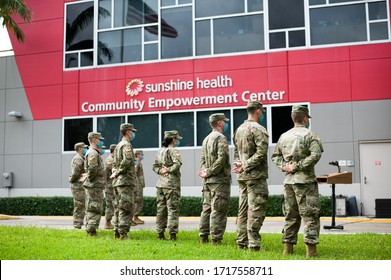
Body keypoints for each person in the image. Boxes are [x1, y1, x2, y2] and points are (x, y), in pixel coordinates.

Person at [271, 105, 323, 258]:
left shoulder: (284, 136)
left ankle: (287, 250)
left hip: (289, 183)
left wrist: (286, 167)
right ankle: (311, 252)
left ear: (293, 118)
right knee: (310, 216)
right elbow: (316, 155)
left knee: (290, 216)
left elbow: (275, 156)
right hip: (305, 182)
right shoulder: (310, 135)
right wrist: (298, 166)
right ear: (305, 118)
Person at [232, 100, 269, 251]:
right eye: (262, 112)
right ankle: (253, 244)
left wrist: (239, 164)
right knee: (256, 209)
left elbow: (236, 152)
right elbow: (261, 153)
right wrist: (245, 165)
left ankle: (241, 242)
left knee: (243, 209)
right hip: (255, 176)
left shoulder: (239, 129)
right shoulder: (258, 129)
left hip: (242, 176)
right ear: (258, 111)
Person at [198, 113, 231, 245]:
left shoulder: (206, 139)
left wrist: (205, 171)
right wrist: (211, 172)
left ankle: (203, 237)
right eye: (224, 121)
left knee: (206, 209)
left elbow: (202, 159)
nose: (225, 123)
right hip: (219, 180)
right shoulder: (221, 138)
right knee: (219, 210)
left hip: (207, 180)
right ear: (220, 123)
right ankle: (216, 240)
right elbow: (221, 159)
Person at [152, 130, 183, 241]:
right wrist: (168, 170)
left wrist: (161, 171)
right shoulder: (173, 150)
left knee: (161, 209)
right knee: (172, 209)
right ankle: (172, 234)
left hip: (160, 184)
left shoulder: (160, 151)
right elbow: (177, 164)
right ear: (173, 139)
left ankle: (160, 233)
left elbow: (154, 166)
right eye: (177, 139)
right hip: (171, 184)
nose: (177, 141)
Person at [111, 123, 137, 240]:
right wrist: (119, 171)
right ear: (128, 132)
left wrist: (115, 172)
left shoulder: (118, 146)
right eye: (132, 131)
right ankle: (123, 234)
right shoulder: (126, 145)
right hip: (125, 180)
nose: (133, 134)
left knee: (118, 207)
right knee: (126, 208)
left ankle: (116, 231)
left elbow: (114, 163)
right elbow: (127, 160)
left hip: (118, 181)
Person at [83, 132, 106, 236]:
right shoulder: (93, 153)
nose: (101, 141)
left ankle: (90, 229)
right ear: (94, 140)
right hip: (94, 185)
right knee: (94, 207)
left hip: (95, 184)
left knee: (92, 206)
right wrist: (92, 180)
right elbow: (92, 169)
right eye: (99, 139)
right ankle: (92, 231)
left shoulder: (93, 152)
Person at [69, 142, 88, 229]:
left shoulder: (81, 158)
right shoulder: (78, 159)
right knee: (79, 205)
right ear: (80, 149)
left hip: (80, 185)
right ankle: (77, 224)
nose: (86, 149)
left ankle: (79, 223)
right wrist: (72, 180)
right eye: (84, 148)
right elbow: (75, 172)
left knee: (81, 205)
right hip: (77, 186)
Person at [103, 144, 116, 230]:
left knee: (113, 204)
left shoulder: (113, 159)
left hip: (113, 186)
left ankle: (110, 222)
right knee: (110, 205)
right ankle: (107, 222)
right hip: (109, 187)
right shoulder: (110, 160)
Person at [132, 150, 145, 225]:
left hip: (139, 184)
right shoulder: (136, 161)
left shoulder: (139, 161)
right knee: (137, 200)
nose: (142, 155)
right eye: (141, 154)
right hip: (137, 184)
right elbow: (135, 171)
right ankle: (135, 217)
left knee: (139, 200)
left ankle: (136, 217)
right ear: (138, 155)